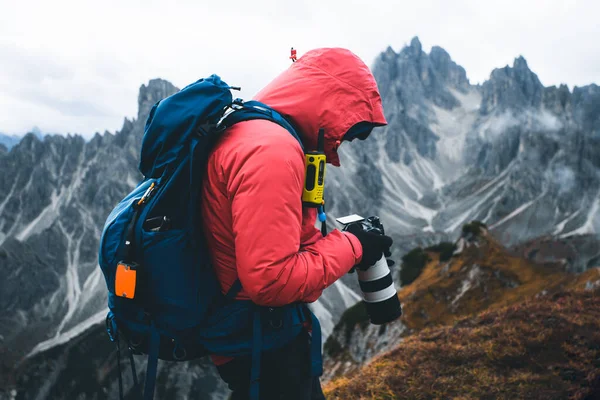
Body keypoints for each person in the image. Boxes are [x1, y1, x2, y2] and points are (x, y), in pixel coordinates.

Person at [201, 48, 391, 400]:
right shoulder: (272, 150)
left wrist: (346, 244)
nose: (345, 141)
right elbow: (271, 280)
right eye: (350, 129)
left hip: (251, 335)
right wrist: (356, 246)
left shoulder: (252, 131)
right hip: (261, 341)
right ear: (330, 103)